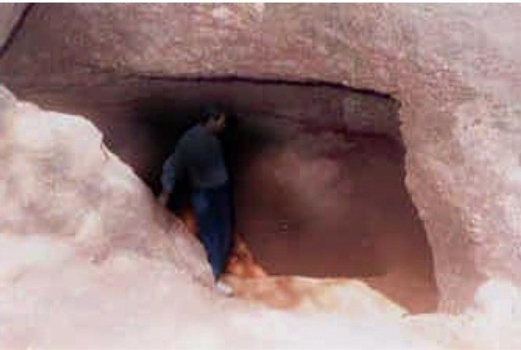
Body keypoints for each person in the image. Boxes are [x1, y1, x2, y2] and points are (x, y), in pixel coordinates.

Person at [160, 105, 233, 293]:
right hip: (204, 193)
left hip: (220, 191)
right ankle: (212, 281)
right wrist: (166, 192)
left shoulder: (211, 137)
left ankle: (215, 276)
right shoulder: (190, 140)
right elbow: (172, 164)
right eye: (221, 122)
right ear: (211, 120)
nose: (223, 126)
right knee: (212, 237)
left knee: (223, 234)